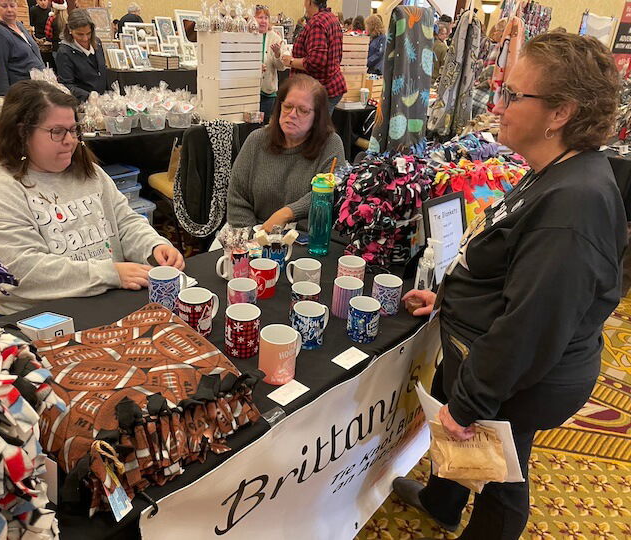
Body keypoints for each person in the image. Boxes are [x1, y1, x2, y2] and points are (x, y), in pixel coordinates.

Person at [395, 33, 626, 540]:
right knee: (467, 439)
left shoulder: (573, 206)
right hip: (499, 353)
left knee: (502, 473)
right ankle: (442, 501)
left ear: (560, 112)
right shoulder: (555, 172)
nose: (498, 105)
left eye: (514, 95)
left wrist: (470, 402)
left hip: (526, 377)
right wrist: (452, 296)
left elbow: (531, 327)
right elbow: (510, 270)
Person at [0, 80, 184, 315]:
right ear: (22, 133)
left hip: (107, 299)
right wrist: (110, 274)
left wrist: (153, 246)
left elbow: (125, 222)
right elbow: (22, 271)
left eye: (73, 130)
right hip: (40, 318)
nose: (70, 141)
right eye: (57, 132)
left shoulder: (89, 172)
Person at [227, 74, 345, 231]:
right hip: (253, 232)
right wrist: (254, 238)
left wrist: (287, 213)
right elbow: (237, 197)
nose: (292, 114)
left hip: (303, 236)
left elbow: (331, 192)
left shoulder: (330, 144)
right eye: (288, 106)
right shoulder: (256, 140)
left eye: (303, 110)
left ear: (317, 117)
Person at [282, 0, 346, 116]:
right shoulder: (331, 18)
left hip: (319, 91)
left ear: (310, 2)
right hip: (331, 86)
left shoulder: (317, 23)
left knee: (315, 132)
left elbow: (315, 62)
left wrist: (291, 61)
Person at [0, 0, 44, 97]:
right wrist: (3, 96)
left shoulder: (19, 25)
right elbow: (0, 67)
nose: (9, 10)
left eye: (12, 5)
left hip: (38, 86)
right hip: (22, 91)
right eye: (4, 6)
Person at [56, 9, 107, 101]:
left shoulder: (97, 43)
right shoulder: (64, 52)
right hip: (82, 104)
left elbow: (102, 72)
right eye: (80, 34)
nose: (85, 38)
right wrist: (88, 96)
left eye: (88, 33)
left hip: (102, 101)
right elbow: (66, 85)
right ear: (70, 30)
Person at [255, 5, 287, 124]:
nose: (263, 21)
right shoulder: (247, 35)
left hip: (268, 92)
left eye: (266, 18)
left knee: (264, 125)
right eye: (260, 17)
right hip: (250, 90)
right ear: (253, 19)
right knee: (250, 126)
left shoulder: (276, 38)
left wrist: (278, 54)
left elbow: (281, 67)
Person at [29, 0, 53, 67]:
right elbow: (31, 24)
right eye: (40, 0)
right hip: (38, 39)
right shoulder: (33, 10)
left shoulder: (50, 11)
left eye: (45, 0)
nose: (43, 2)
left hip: (49, 40)